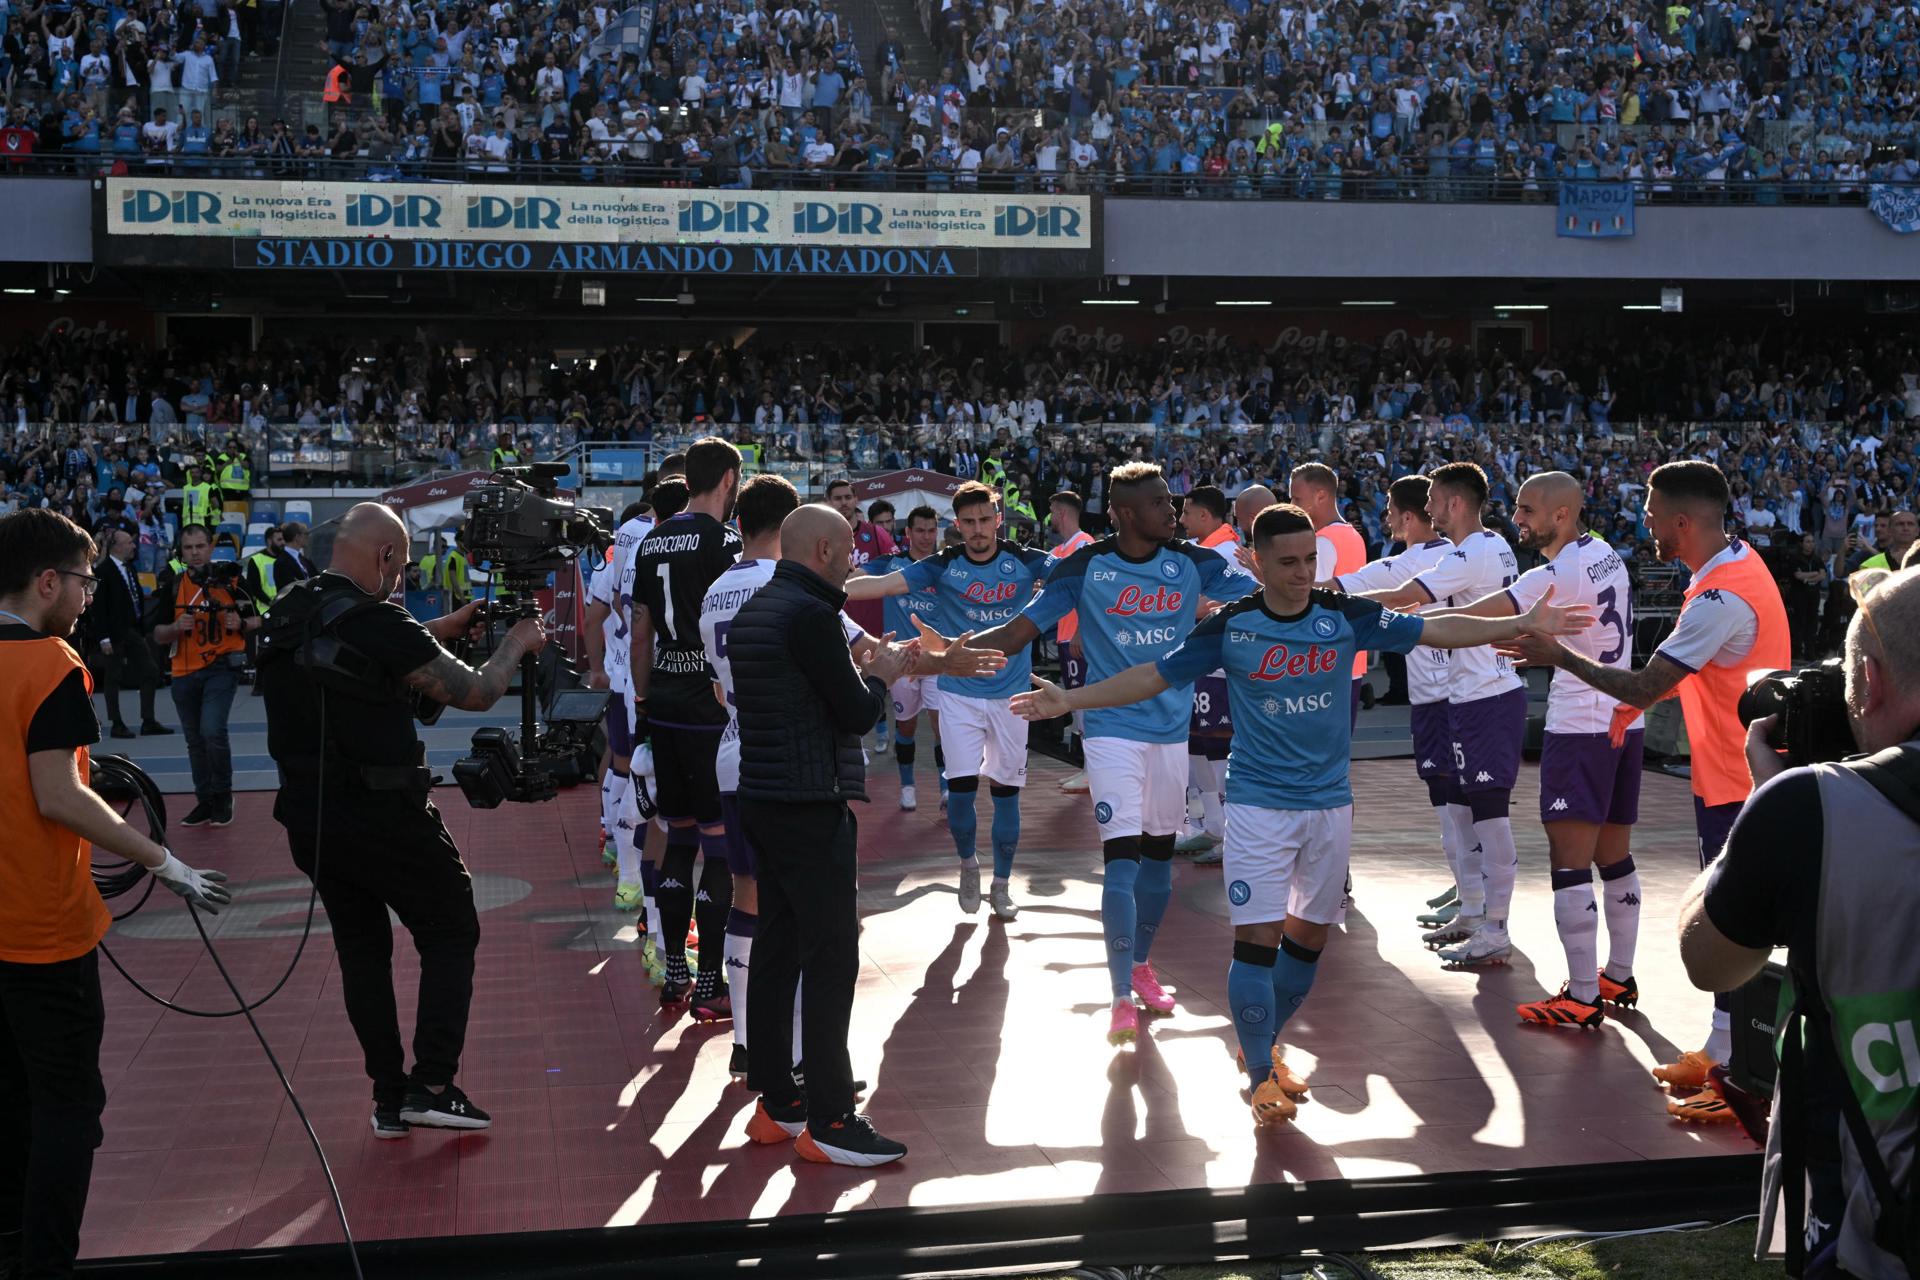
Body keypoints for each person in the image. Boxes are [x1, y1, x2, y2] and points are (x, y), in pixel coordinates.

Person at [1011, 502, 1592, 1126]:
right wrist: (1068, 698)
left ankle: (1261, 1044)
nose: (1301, 574)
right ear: (1256, 563)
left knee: (1308, 942)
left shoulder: (1343, 616)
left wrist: (1521, 619)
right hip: (1259, 810)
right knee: (1257, 942)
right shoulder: (1230, 626)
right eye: (1287, 562)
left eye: (1310, 561)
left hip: (1329, 809)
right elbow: (1152, 676)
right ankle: (1262, 1072)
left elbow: (1434, 627)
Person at [1499, 459, 1789, 1123]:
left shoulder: (1719, 597)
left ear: (1683, 523)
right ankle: (1722, 1050)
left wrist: (1558, 656)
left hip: (1733, 777)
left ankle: (1743, 1075)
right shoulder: (1735, 568)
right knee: (1726, 914)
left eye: (1654, 515)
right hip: (1735, 769)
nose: (1646, 524)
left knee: (1733, 923)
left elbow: (1642, 685)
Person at [258, 502, 548, 1138]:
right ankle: (434, 1083)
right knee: (451, 928)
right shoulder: (380, 620)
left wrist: (441, 628)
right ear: (385, 556)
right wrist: (515, 644)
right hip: (385, 813)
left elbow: (364, 658)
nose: (401, 581)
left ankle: (390, 1096)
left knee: (363, 950)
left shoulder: (292, 608)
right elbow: (476, 692)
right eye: (402, 567)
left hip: (311, 817)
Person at [0, 509, 229, 1280]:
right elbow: (58, 795)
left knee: (10, 1107)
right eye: (85, 578)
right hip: (40, 929)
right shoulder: (52, 665)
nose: (90, 593)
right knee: (67, 1111)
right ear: (47, 582)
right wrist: (164, 863)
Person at [952, 462, 1254, 1043]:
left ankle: (1141, 965)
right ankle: (1118, 993)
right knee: (1121, 861)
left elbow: (1262, 601)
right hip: (1111, 729)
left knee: (1159, 866)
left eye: (1172, 500)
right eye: (1160, 503)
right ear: (1122, 514)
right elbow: (1019, 631)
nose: (1173, 510)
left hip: (1171, 732)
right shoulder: (1086, 566)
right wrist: (937, 653)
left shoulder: (1195, 563)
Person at [1677, 564, 1920, 1280]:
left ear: (1869, 681)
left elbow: (1709, 960)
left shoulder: (1812, 808)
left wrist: (1766, 807)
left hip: (1876, 1217)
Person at [732, 504, 918, 1167]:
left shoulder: (758, 607)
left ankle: (779, 1100)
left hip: (763, 795)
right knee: (832, 957)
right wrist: (885, 672)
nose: (854, 561)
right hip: (809, 803)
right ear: (821, 551)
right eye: (847, 551)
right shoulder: (810, 615)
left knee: (779, 949)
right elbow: (856, 710)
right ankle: (832, 1117)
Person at [1425, 472, 1646, 1026]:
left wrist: (1390, 626)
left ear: (1562, 514)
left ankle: (1582, 995)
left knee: (1570, 864)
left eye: (1527, 510)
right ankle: (1618, 975)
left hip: (1581, 724)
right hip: (1624, 718)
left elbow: (1478, 615)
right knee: (1614, 855)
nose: (1518, 519)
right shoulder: (1605, 554)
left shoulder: (1556, 574)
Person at [847, 482, 1052, 920]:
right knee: (959, 794)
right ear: (956, 526)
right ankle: (968, 865)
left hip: (1012, 698)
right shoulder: (944, 564)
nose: (979, 530)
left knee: (1006, 795)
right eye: (969, 522)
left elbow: (1076, 576)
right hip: (958, 694)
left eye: (985, 520)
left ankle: (1002, 885)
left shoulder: (1026, 561)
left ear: (998, 519)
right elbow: (884, 585)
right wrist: (827, 588)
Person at [1354, 462, 1526, 968]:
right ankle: (1475, 912)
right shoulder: (1488, 546)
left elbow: (1408, 596)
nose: (1425, 510)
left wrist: (1339, 608)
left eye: (1432, 500)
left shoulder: (1471, 553)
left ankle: (1495, 926)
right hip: (1468, 695)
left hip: (1488, 696)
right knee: (1462, 805)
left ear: (1454, 503)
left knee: (1489, 817)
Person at [631, 438, 744, 1015]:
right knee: (720, 849)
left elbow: (643, 629)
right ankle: (711, 982)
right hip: (710, 703)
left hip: (667, 702)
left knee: (678, 838)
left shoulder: (651, 539)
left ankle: (674, 967)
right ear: (728, 479)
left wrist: (645, 699)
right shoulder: (725, 541)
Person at [1324, 476, 1459, 925]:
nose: (1384, 518)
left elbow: (1340, 587)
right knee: (1459, 794)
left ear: (1407, 516)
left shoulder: (1407, 564)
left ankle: (1474, 890)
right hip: (1457, 688)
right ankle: (1469, 882)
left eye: (1388, 509)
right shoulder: (1462, 552)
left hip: (1441, 694)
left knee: (1450, 794)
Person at [151, 524, 262, 828]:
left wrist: (238, 621)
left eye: (200, 546)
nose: (195, 553)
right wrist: (175, 629)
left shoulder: (232, 579)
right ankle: (205, 800)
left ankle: (223, 795)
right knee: (194, 740)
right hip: (182, 672)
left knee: (212, 731)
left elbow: (259, 618)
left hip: (221, 668)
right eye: (189, 548)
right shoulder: (173, 585)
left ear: (210, 547)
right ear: (181, 552)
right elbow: (158, 633)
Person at [582, 500, 654, 913]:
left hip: (620, 674)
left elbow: (594, 620)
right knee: (632, 768)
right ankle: (628, 868)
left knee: (619, 760)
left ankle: (612, 837)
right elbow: (596, 621)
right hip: (635, 678)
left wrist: (598, 669)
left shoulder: (611, 564)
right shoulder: (646, 557)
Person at [869, 503, 949, 812]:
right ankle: (907, 786)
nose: (927, 536)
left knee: (942, 726)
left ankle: (945, 787)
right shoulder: (891, 564)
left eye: (932, 530)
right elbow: (856, 576)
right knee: (906, 727)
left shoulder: (946, 566)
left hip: (935, 659)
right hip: (900, 661)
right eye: (920, 530)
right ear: (908, 533)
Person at [1177, 484, 1242, 857]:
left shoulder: (1224, 551)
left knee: (1218, 745)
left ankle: (1230, 834)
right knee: (1199, 745)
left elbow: (1202, 605)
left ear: (1205, 515)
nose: (1182, 520)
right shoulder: (1210, 549)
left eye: (1187, 512)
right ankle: (1213, 827)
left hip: (1220, 664)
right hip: (1201, 661)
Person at [1289, 463, 1370, 724]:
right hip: (1349, 660)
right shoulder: (1352, 536)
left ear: (1321, 495)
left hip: (1323, 666)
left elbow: (1307, 603)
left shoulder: (1322, 541)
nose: (1291, 504)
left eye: (1296, 498)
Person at [85, 527, 172, 739]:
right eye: (129, 543)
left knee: (150, 670)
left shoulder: (130, 569)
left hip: (131, 630)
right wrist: (103, 637)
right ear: (116, 546)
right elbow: (99, 608)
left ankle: (148, 720)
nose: (133, 546)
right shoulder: (104, 572)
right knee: (113, 676)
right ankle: (116, 723)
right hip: (114, 633)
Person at [1046, 491, 1096, 795]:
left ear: (1061, 512)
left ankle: (1092, 771)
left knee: (1083, 704)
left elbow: (1091, 592)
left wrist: (1081, 631)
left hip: (1077, 636)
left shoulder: (1083, 545)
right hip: (1066, 635)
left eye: (1052, 511)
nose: (1050, 518)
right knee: (1077, 704)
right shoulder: (1063, 548)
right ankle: (1087, 768)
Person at [244, 524, 286, 608]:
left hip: (285, 608)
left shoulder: (286, 559)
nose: (283, 543)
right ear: (269, 541)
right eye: (279, 540)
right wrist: (272, 603)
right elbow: (254, 589)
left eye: (284, 540)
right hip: (265, 611)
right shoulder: (256, 560)